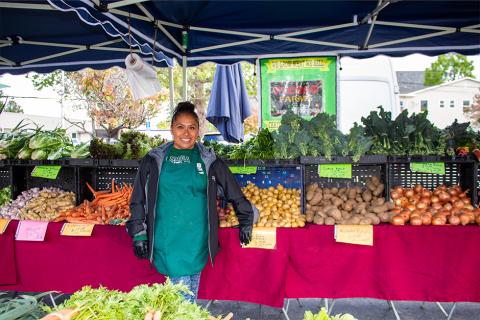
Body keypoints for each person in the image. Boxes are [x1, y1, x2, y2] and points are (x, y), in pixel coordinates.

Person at [126, 101, 258, 302]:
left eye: (192, 127)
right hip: (167, 240)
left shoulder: (208, 159)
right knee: (183, 297)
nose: (186, 133)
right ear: (171, 129)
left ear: (198, 131)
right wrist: (138, 233)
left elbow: (233, 190)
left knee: (191, 293)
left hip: (198, 239)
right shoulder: (155, 159)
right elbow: (138, 199)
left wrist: (247, 219)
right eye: (180, 127)